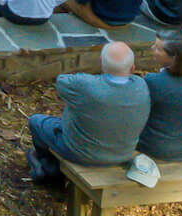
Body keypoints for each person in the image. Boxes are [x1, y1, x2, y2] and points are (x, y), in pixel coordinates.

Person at [25, 42, 150, 184]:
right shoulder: (141, 86)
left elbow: (61, 81)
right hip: (122, 155)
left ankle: (48, 167)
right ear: (133, 68)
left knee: (37, 122)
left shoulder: (85, 85)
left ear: (102, 64)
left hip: (81, 154)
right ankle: (50, 166)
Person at [139, 37, 182, 161]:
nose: (152, 48)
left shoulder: (154, 81)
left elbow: (138, 112)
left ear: (173, 57)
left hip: (158, 148)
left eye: (158, 48)